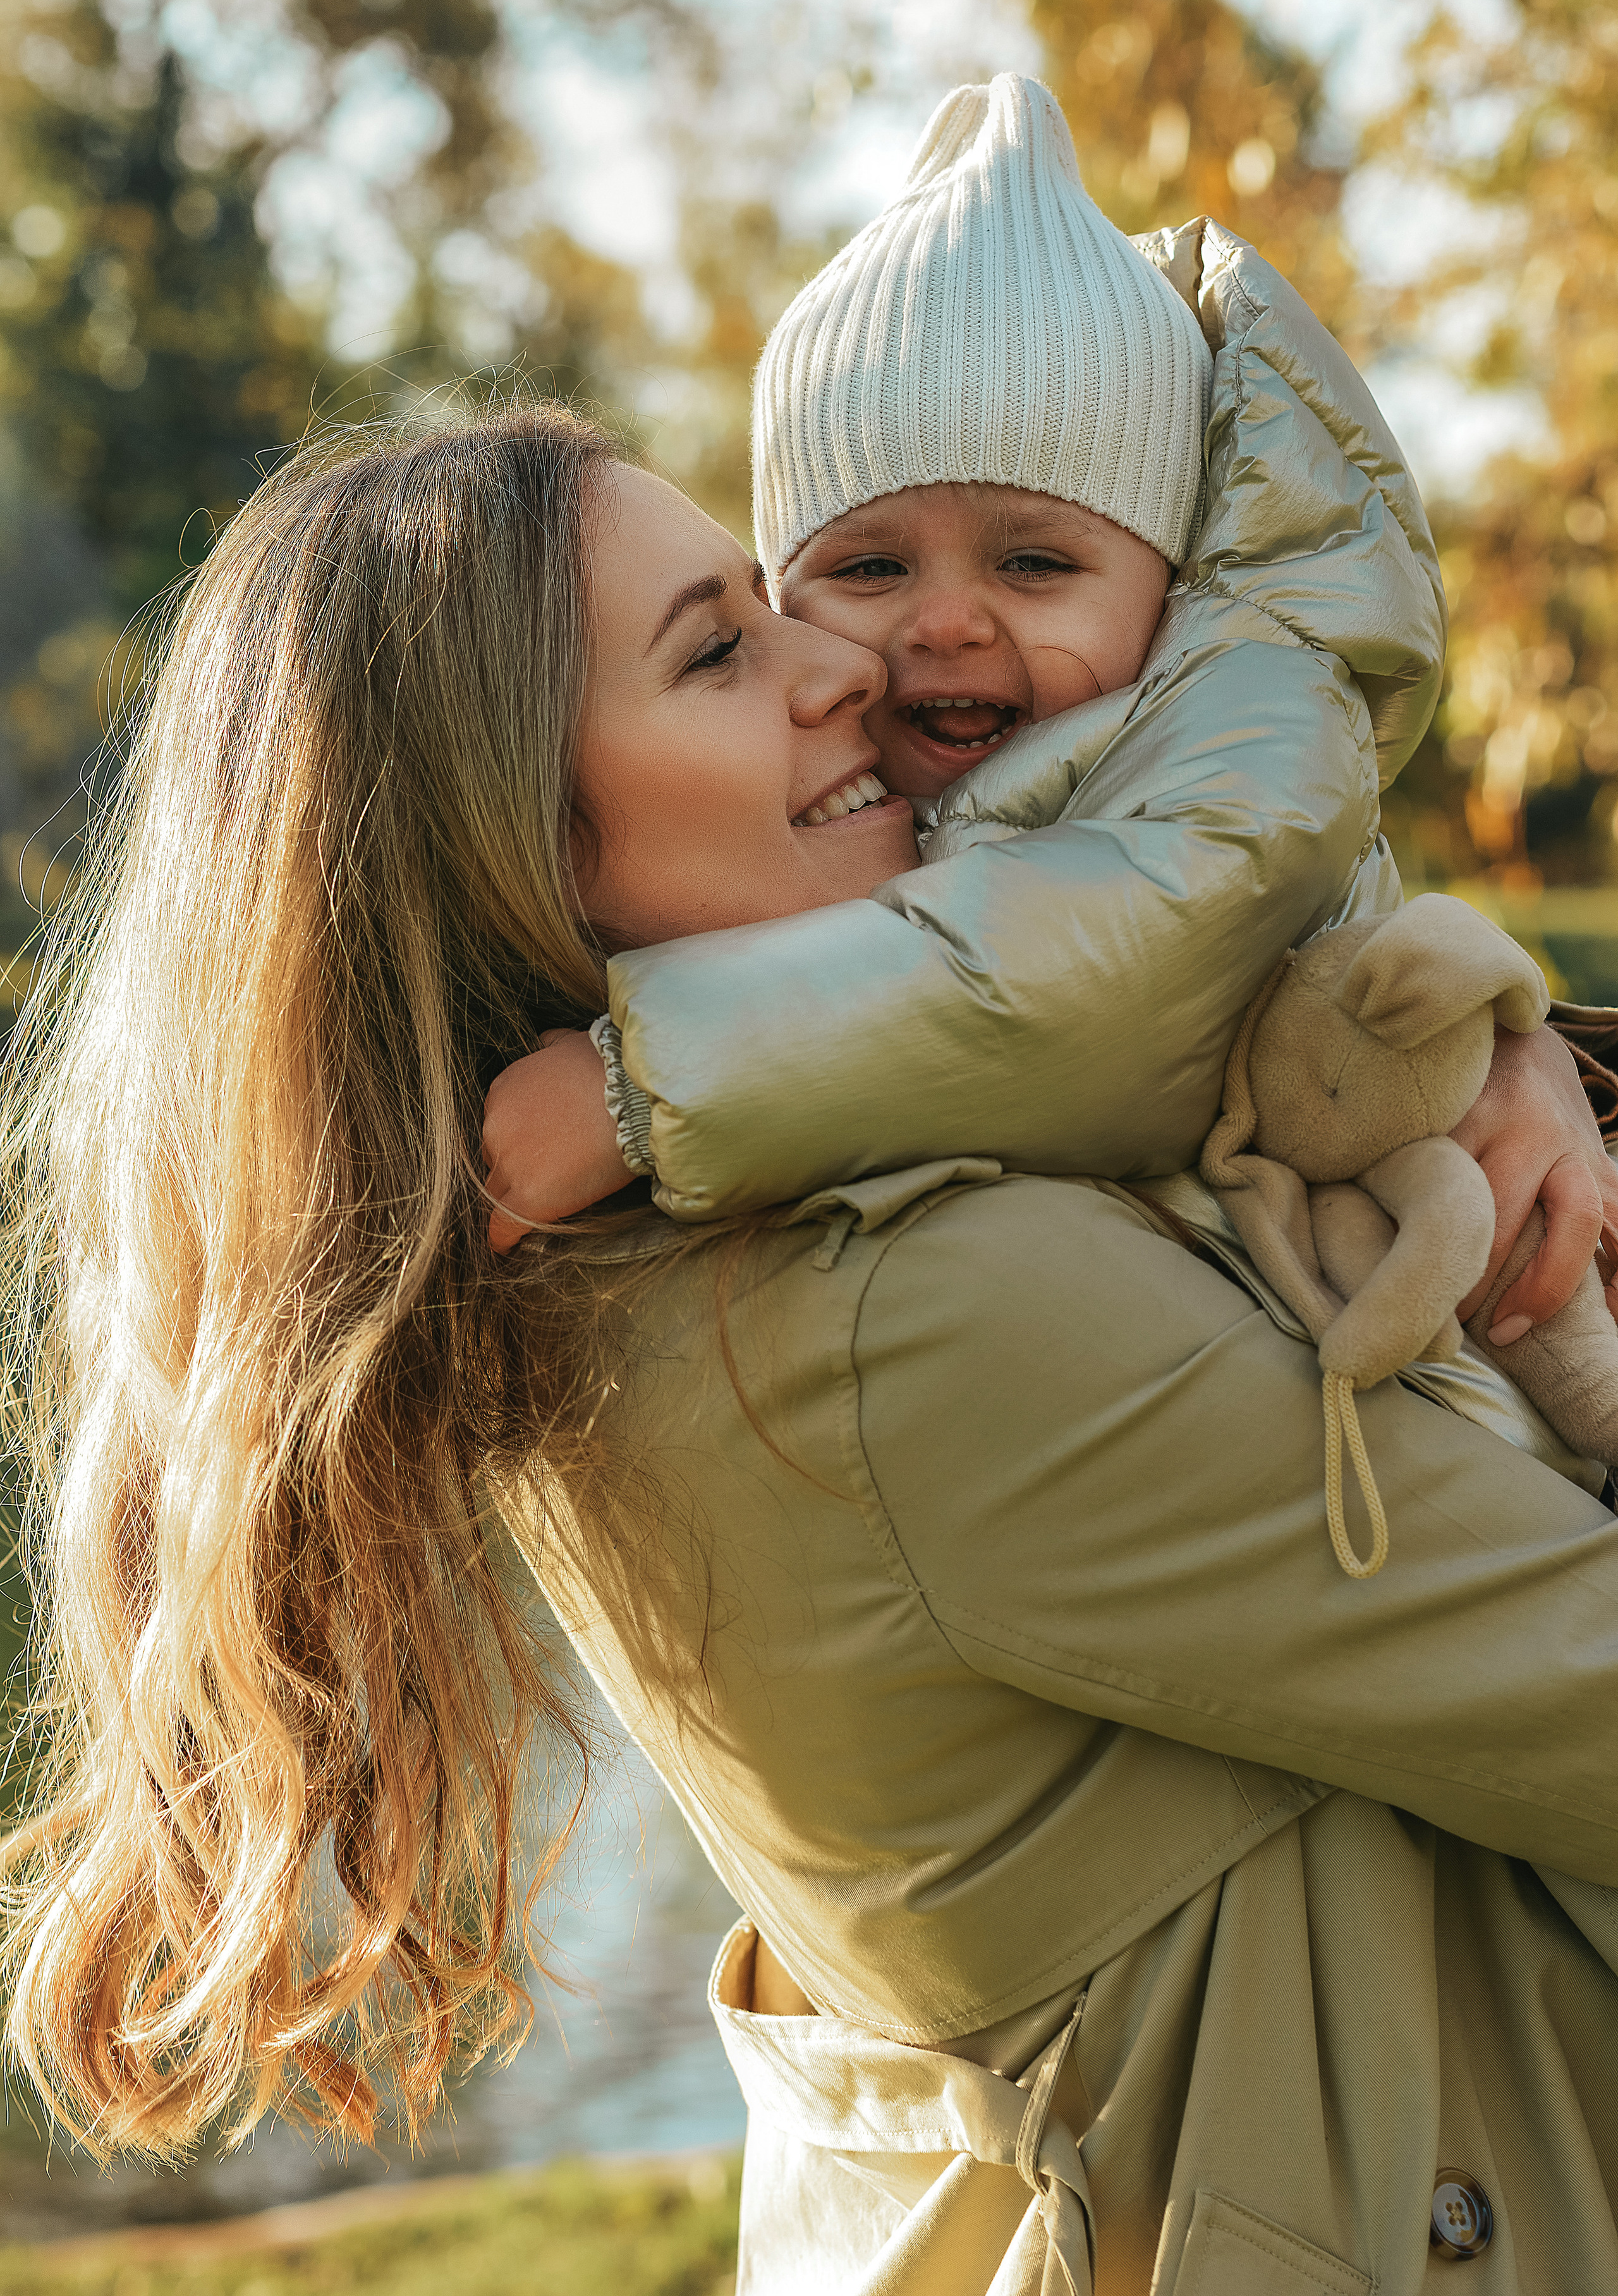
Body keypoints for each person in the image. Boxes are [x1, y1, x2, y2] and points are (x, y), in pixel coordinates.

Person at [6, 398, 1618, 2292]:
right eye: (720, 647)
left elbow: (1113, 996)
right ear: (510, 840)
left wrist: (1492, 1051)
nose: (848, 659)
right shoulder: (920, 1316)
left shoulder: (627, 1265)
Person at [481, 76, 1618, 1376]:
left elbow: (1081, 990)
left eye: (1030, 566)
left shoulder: (1235, 741)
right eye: (866, 571)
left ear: (1171, 584)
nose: (946, 624)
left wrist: (639, 1087)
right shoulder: (911, 813)